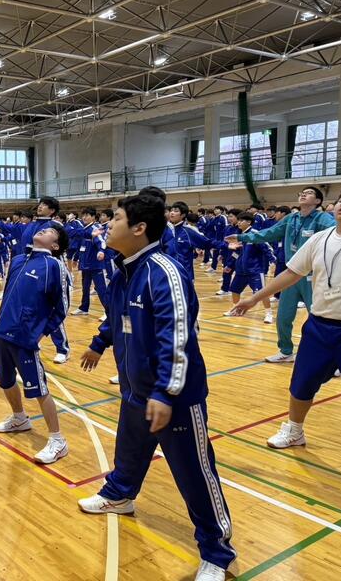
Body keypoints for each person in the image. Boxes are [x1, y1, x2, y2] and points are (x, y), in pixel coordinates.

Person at [78, 195, 235, 581]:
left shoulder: (164, 271)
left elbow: (177, 336)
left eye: (114, 218)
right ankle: (119, 494)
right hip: (135, 390)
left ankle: (218, 551)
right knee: (129, 450)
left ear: (139, 228)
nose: (107, 225)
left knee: (194, 473)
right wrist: (100, 342)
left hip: (174, 399)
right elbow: (116, 315)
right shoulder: (124, 270)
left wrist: (167, 392)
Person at [231, 185, 341, 449]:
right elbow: (291, 273)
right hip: (319, 328)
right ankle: (294, 430)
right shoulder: (319, 239)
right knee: (301, 383)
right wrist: (254, 299)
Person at [226, 186, 335, 363]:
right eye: (301, 193)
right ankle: (285, 351)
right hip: (291, 275)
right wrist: (241, 238)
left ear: (317, 201)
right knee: (284, 317)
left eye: (308, 193)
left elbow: (340, 236)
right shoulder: (291, 219)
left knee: (320, 320)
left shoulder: (323, 220)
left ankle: (332, 359)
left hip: (313, 277)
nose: (303, 195)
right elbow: (268, 234)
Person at [0, 222, 71, 464]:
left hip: (25, 338)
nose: (42, 231)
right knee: (5, 381)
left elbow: (62, 306)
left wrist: (41, 332)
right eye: (43, 229)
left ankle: (58, 440)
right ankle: (20, 418)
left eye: (49, 232)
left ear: (55, 245)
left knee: (39, 388)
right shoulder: (18, 260)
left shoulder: (54, 266)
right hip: (3, 333)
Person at [20, 197, 72, 364]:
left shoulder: (55, 227)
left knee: (52, 312)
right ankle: (33, 340)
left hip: (49, 274)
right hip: (31, 273)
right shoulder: (31, 225)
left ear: (52, 211)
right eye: (40, 204)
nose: (40, 207)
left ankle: (62, 348)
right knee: (30, 311)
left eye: (45, 205)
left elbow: (60, 253)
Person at [222, 212, 274, 323]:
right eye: (238, 220)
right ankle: (236, 309)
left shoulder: (255, 234)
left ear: (249, 222)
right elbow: (236, 253)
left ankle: (268, 313)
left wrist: (273, 261)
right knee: (235, 290)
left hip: (255, 270)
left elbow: (267, 249)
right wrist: (229, 265)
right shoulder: (238, 235)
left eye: (241, 221)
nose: (239, 222)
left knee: (261, 293)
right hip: (240, 271)